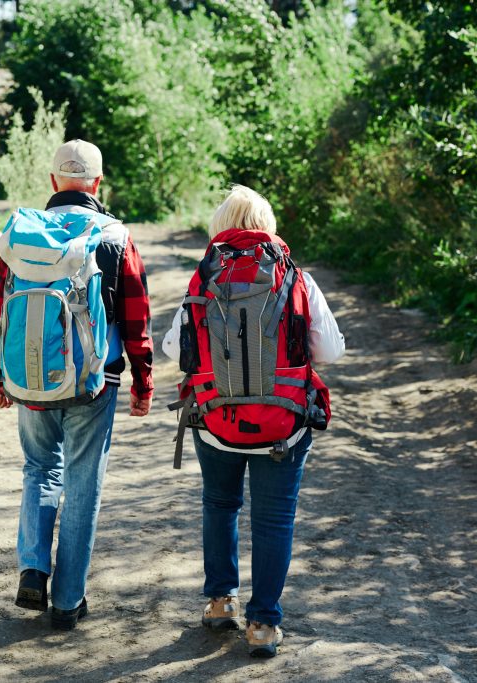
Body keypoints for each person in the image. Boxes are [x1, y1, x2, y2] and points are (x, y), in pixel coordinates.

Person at [162, 185, 344, 657]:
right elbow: (331, 350)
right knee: (274, 518)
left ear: (220, 227)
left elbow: (171, 349)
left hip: (216, 421)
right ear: (269, 225)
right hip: (284, 423)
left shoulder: (204, 279)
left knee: (220, 504)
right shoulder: (294, 277)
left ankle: (222, 602)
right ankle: (263, 624)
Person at [0, 139, 154, 630]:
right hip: (94, 382)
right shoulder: (115, 236)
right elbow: (136, 315)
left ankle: (33, 567)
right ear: (97, 183)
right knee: (82, 484)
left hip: (30, 375)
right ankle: (67, 602)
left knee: (39, 468)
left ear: (54, 182)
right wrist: (143, 381)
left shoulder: (24, 233)